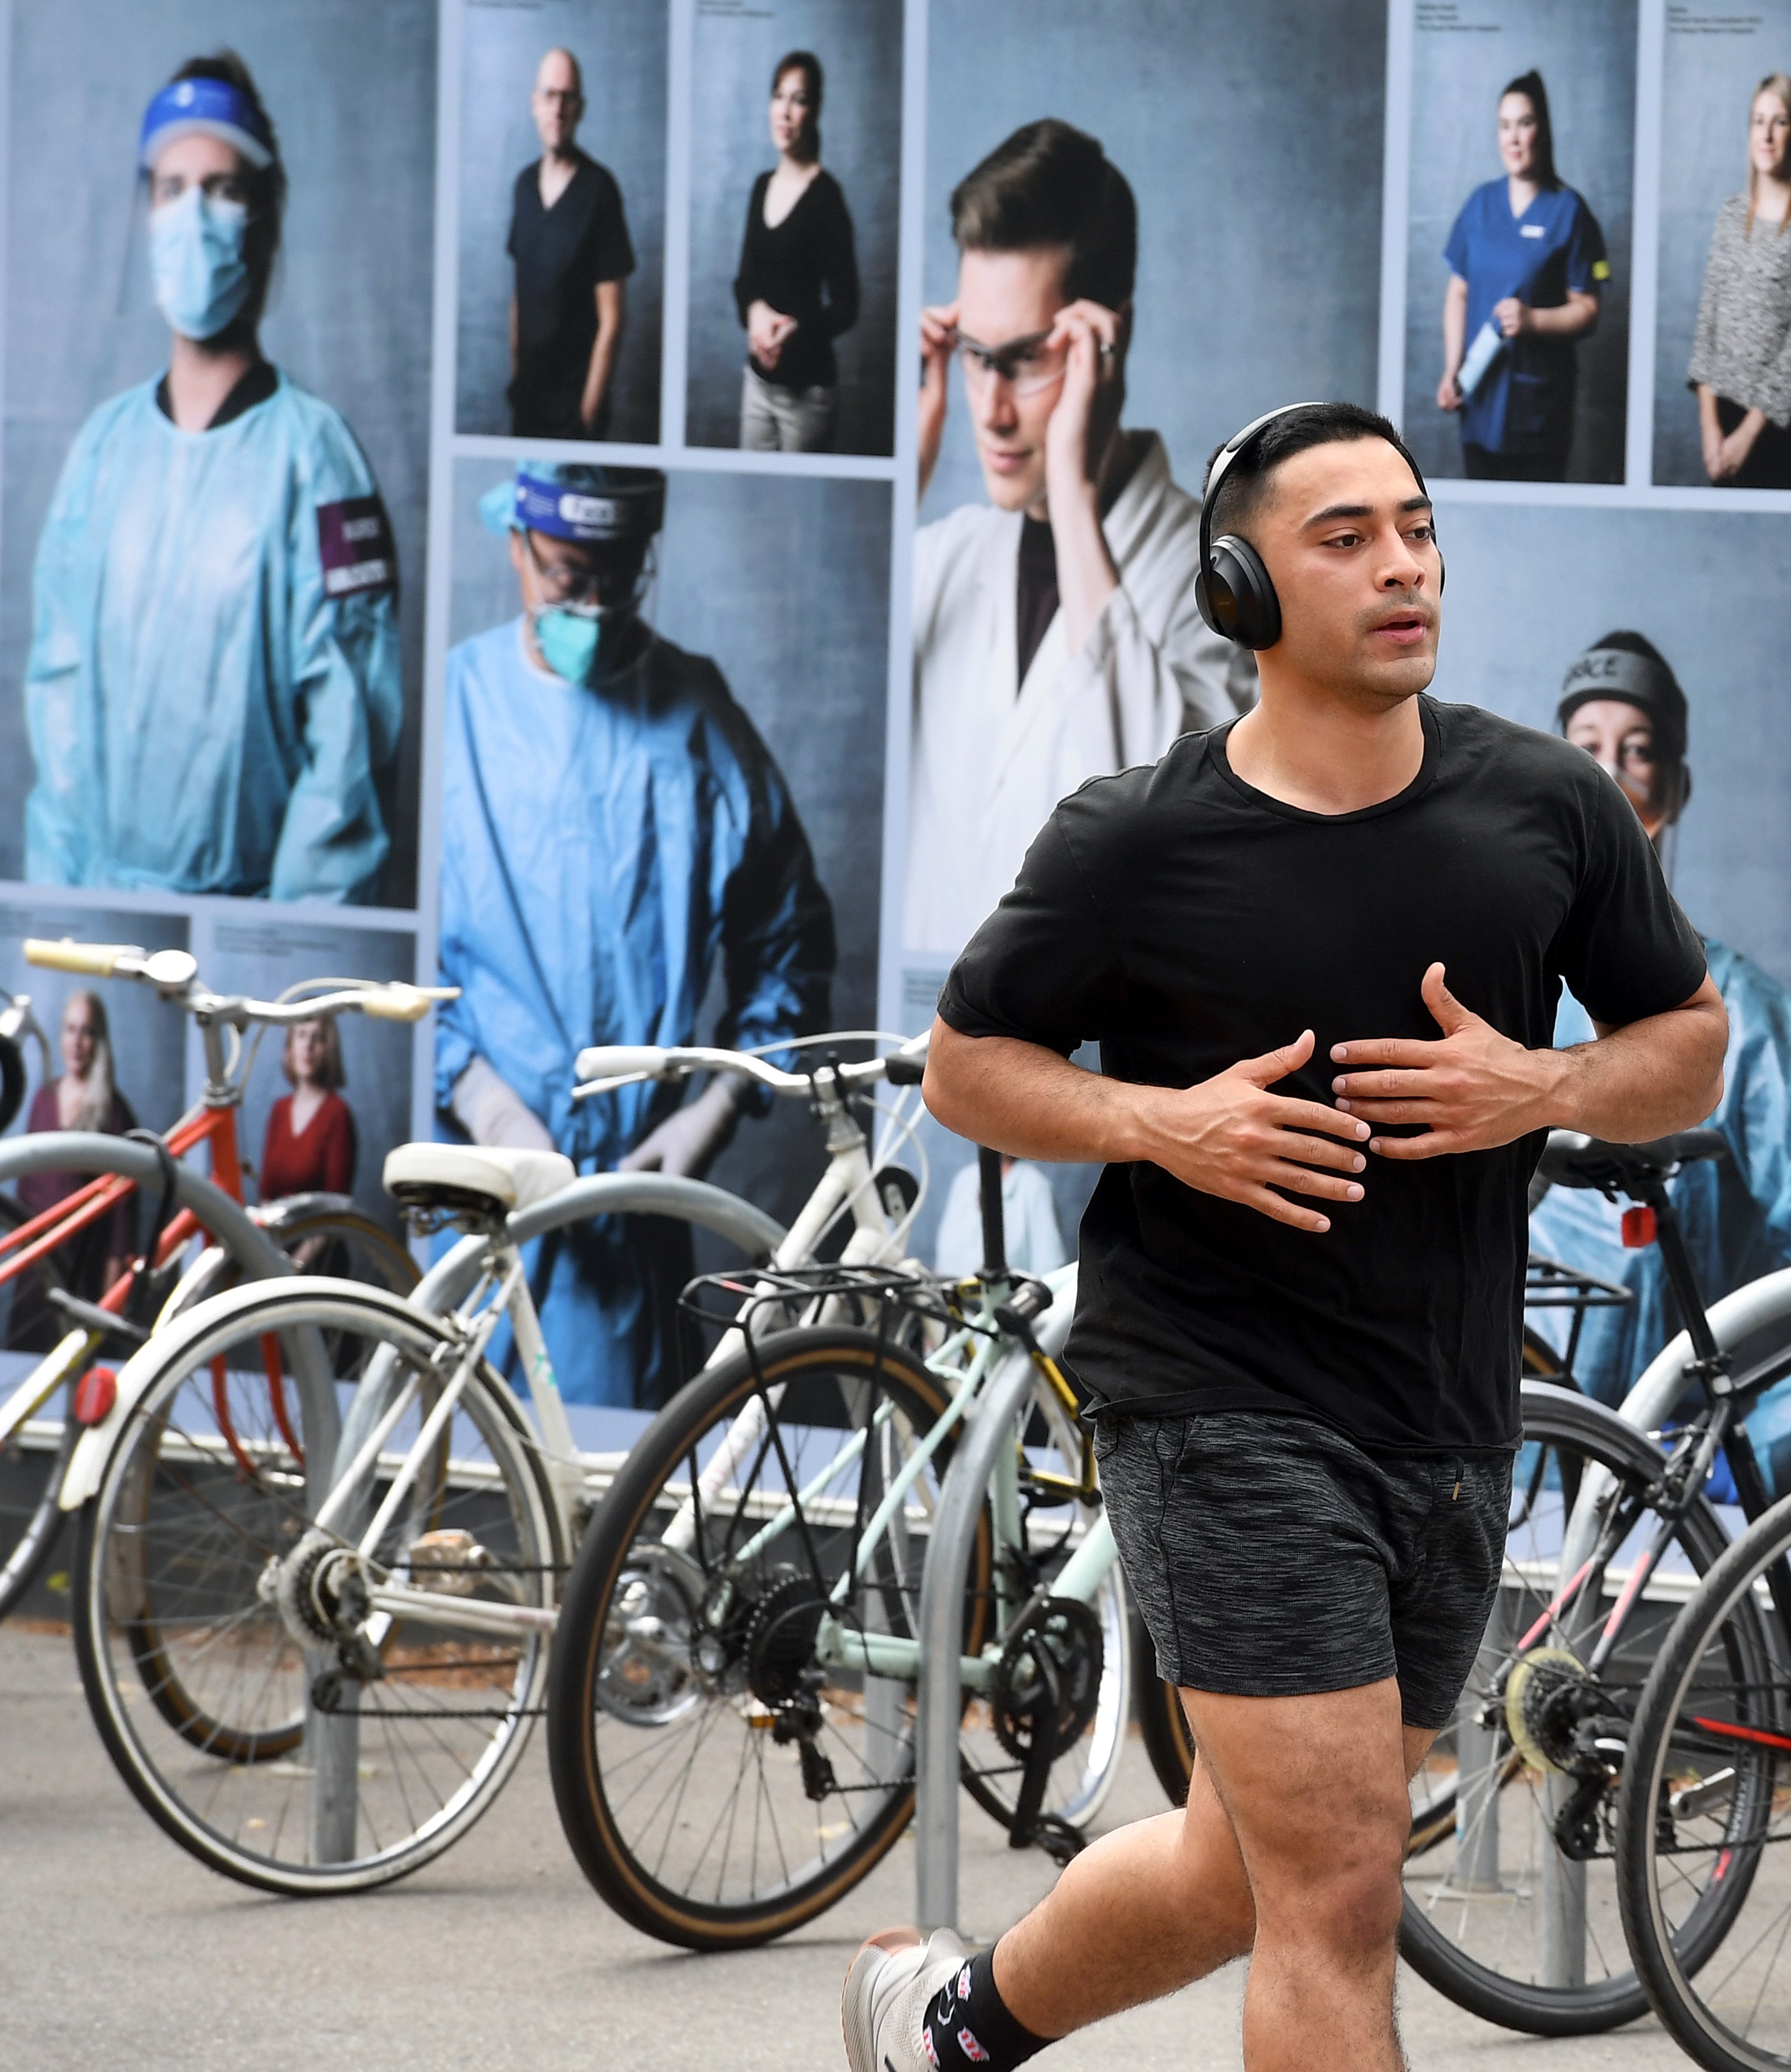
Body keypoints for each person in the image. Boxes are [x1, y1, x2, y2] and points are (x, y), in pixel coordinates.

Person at [843, 401, 1725, 2072]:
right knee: (1338, 1895)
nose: (1403, 566)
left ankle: (944, 2025)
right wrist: (1149, 1118)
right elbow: (968, 1065)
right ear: (1241, 586)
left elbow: (1685, 1039)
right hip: (1214, 1400)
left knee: (1240, 1871)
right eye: (1346, 539)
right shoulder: (1138, 839)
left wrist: (1541, 1084)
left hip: (1445, 1415)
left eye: (1415, 527)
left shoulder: (1542, 807)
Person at [437, 461, 837, 1410]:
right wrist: (484, 1098)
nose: (595, 604)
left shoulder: (696, 721)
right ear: (517, 545)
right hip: (470, 1184)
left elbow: (790, 942)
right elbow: (391, 957)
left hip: (626, 1205)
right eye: (570, 578)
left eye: (618, 578)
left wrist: (718, 1105)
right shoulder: (453, 706)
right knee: (442, 1491)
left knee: (603, 1517)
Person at [23, 57, 403, 904]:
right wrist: (64, 926)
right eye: (172, 189)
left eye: (223, 190)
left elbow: (347, 766)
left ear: (265, 219)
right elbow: (60, 716)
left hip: (248, 939)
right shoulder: (102, 452)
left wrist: (277, 964)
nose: (193, 219)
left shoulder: (319, 464)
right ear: (145, 211)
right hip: (103, 916)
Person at [1526, 632, 1791, 1493]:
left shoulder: (1743, 1018)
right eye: (1585, 751)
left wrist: (1745, 1459)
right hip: (1487, 1467)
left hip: (1653, 1493)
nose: (1609, 776)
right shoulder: (1490, 981)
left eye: (1635, 753)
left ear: (1671, 790)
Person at [906, 119, 1245, 954]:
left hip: (1089, 1076)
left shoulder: (1218, 581)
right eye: (975, 356)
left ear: (1107, 340)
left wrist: (1070, 483)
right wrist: (903, 461)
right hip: (915, 1073)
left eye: (1024, 359)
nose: (989, 408)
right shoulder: (942, 555)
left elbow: (1172, 827)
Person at [1434, 70, 1609, 481]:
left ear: (1543, 130)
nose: (1513, 138)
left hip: (1539, 410)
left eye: (1524, 123)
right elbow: (1458, 293)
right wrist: (1452, 367)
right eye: (1505, 125)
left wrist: (1533, 320)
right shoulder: (1480, 205)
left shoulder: (1569, 211)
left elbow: (1589, 310)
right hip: (1479, 400)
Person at [1687, 72, 1791, 489]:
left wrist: (1748, 435)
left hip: (1775, 429)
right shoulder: (1730, 213)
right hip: (1722, 423)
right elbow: (1707, 320)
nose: (1766, 134)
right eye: (1758, 120)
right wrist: (1710, 429)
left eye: (1779, 121)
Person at [507, 46, 637, 441]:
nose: (557, 108)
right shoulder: (524, 186)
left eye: (568, 96)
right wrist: (516, 380)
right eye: (549, 95)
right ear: (534, 104)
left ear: (580, 107)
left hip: (574, 409)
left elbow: (612, 320)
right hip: (527, 402)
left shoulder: (600, 190)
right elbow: (520, 295)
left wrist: (589, 413)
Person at [732, 50, 858, 452]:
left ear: (815, 110)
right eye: (779, 97)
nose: (785, 112)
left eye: (799, 100)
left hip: (808, 399)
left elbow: (847, 306)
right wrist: (754, 312)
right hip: (756, 386)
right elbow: (745, 281)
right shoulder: (760, 187)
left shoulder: (827, 198)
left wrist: (795, 330)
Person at [11, 989, 141, 1352]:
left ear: (100, 1040)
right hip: (35, 1276)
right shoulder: (44, 1099)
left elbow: (122, 1223)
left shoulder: (115, 1113)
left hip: (83, 1273)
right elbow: (25, 1189)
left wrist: (107, 1302)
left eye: (87, 1032)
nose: (77, 1042)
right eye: (70, 1030)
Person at [259, 1016, 356, 1202]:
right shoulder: (279, 1109)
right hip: (275, 1228)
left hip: (317, 1229)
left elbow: (336, 1202)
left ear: (329, 1049)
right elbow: (266, 1193)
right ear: (290, 1045)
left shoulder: (337, 1113)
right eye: (301, 1035)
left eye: (318, 1038)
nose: (308, 1046)